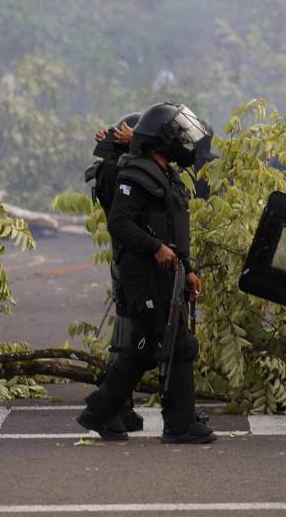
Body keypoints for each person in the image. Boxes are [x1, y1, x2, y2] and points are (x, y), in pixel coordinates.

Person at [76, 102, 214, 444]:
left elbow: (174, 230)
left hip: (167, 275)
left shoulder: (167, 176)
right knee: (178, 344)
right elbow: (120, 223)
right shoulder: (135, 174)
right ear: (161, 140)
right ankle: (179, 425)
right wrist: (155, 248)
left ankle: (100, 411)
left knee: (144, 348)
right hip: (144, 277)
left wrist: (190, 268)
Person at [85, 113, 143, 434]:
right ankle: (108, 407)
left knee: (135, 334)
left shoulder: (112, 168)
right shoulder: (121, 172)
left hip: (127, 258)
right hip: (132, 260)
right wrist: (135, 143)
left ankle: (123, 406)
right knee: (129, 336)